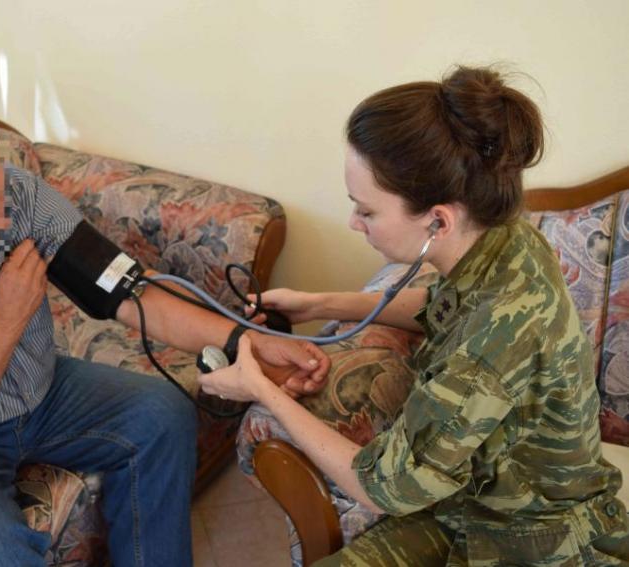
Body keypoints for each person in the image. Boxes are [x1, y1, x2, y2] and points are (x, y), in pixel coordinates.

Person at [0, 105, 331, 567]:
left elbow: (130, 295)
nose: (0, 218)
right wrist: (5, 321)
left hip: (40, 392)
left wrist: (247, 342)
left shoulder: (18, 194)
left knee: (161, 414)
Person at [200, 66, 629, 565]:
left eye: (366, 211)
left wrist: (260, 389)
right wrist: (321, 303)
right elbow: (441, 307)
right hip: (471, 501)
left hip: (533, 538)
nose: (353, 222)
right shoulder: (506, 237)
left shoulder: (488, 351)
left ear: (438, 221)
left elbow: (380, 487)